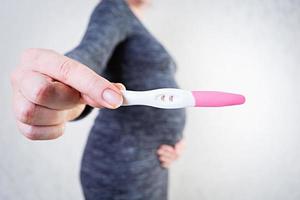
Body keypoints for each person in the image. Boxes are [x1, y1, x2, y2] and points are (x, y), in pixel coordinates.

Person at [11, 0, 186, 199]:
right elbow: (89, 55)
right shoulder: (113, 8)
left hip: (154, 161)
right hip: (121, 165)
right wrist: (57, 82)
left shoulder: (136, 20)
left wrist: (175, 139)